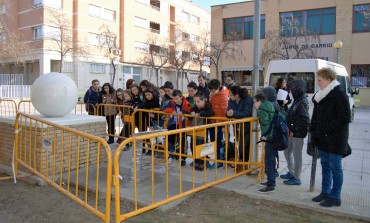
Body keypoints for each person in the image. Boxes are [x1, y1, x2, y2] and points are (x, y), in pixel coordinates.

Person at [310, 67, 351, 207]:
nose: (318, 83)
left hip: (335, 139)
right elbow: (316, 116)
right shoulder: (321, 95)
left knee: (335, 167)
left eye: (320, 80)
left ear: (329, 79)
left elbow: (346, 117)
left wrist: (327, 127)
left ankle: (335, 196)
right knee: (325, 166)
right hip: (322, 138)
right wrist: (314, 130)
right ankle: (325, 192)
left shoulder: (339, 94)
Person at [281, 80, 309, 185]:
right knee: (287, 151)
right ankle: (292, 172)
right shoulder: (298, 100)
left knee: (297, 155)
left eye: (292, 90)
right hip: (293, 131)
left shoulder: (302, 102)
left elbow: (305, 120)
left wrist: (294, 129)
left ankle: (297, 177)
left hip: (297, 133)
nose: (290, 92)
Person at [226, 86, 253, 168]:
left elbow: (246, 113)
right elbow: (228, 111)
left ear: (237, 95)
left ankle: (244, 162)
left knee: (245, 144)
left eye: (231, 95)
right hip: (235, 125)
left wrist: (233, 113)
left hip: (246, 126)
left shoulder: (247, 99)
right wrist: (228, 114)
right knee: (236, 143)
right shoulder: (231, 100)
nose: (229, 96)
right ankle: (236, 159)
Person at [254, 93, 275, 194]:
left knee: (269, 161)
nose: (254, 105)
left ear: (259, 101)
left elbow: (266, 124)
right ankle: (271, 181)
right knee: (271, 161)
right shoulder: (270, 105)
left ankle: (271, 185)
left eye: (255, 102)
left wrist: (265, 136)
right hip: (275, 136)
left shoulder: (262, 110)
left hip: (270, 138)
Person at [163, 90, 192, 165]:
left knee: (183, 140)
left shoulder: (186, 103)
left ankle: (183, 158)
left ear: (181, 97)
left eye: (177, 99)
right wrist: (171, 110)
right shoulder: (171, 102)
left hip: (183, 125)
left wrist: (183, 112)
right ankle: (172, 153)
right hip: (173, 123)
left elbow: (190, 111)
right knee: (170, 135)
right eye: (174, 99)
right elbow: (164, 108)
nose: (175, 100)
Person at [189, 91, 215, 171]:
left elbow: (211, 113)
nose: (196, 103)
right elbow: (192, 110)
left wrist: (200, 113)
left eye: (198, 101)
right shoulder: (195, 107)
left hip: (203, 129)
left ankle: (202, 162)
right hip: (195, 129)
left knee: (202, 145)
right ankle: (196, 160)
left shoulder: (207, 106)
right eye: (195, 101)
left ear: (204, 100)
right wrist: (192, 112)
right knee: (193, 144)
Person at [208, 79, 229, 168]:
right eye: (211, 90)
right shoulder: (212, 95)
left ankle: (219, 160)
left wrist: (225, 125)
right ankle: (214, 159)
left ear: (218, 88)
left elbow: (225, 111)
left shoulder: (223, 96)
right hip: (213, 121)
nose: (212, 92)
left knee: (219, 142)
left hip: (220, 123)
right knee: (213, 141)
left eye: (213, 90)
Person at [263, 86, 281, 178]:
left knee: (271, 156)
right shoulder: (274, 103)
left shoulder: (271, 105)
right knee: (272, 155)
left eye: (264, 94)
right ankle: (272, 171)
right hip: (273, 134)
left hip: (272, 135)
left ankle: (272, 173)